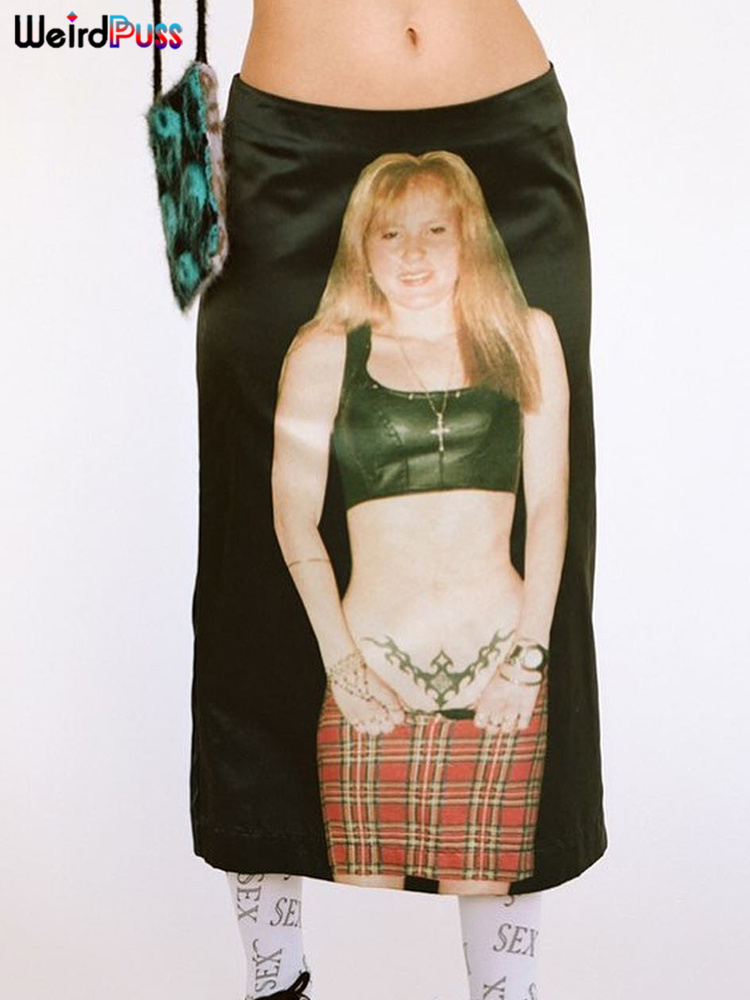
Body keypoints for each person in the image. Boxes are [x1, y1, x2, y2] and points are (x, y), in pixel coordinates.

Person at [193, 3, 607, 999]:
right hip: (290, 155)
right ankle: (275, 980)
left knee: (551, 504)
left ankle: (508, 987)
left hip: (503, 140)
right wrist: (176, 121)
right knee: (252, 551)